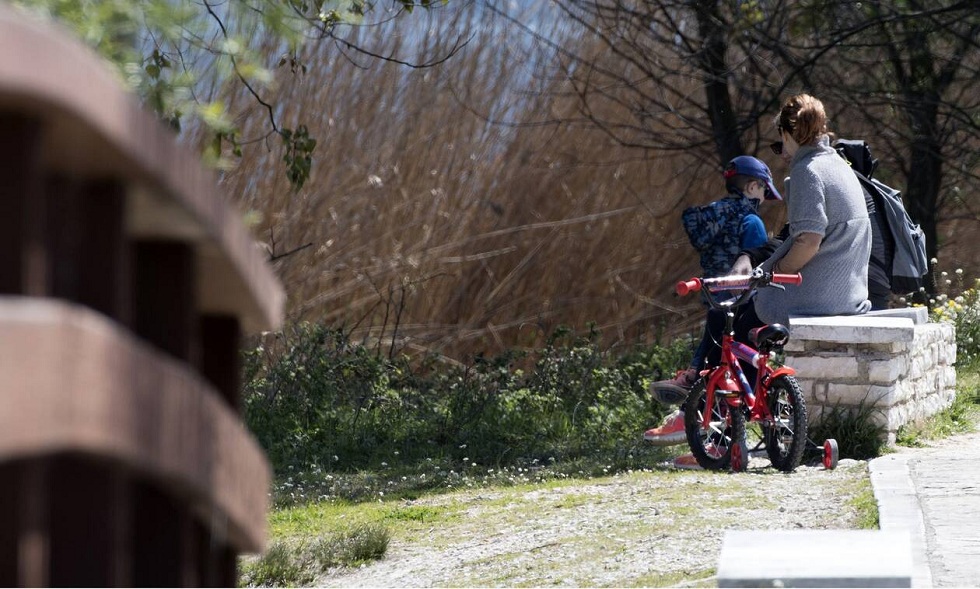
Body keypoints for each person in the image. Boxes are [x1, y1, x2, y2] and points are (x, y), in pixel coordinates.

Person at [647, 94, 872, 468]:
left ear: (790, 132)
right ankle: (721, 412)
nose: (780, 151)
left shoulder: (807, 171)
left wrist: (764, 275)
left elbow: (808, 240)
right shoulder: (836, 163)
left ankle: (712, 425)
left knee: (730, 314)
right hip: (847, 287)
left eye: (779, 141)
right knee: (742, 312)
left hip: (818, 290)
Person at [642, 155, 782, 445]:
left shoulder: (713, 217)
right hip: (743, 305)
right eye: (763, 191)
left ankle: (693, 410)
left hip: (715, 300)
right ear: (752, 187)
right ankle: (713, 436)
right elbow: (755, 266)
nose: (764, 199)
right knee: (736, 374)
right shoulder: (751, 220)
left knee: (712, 365)